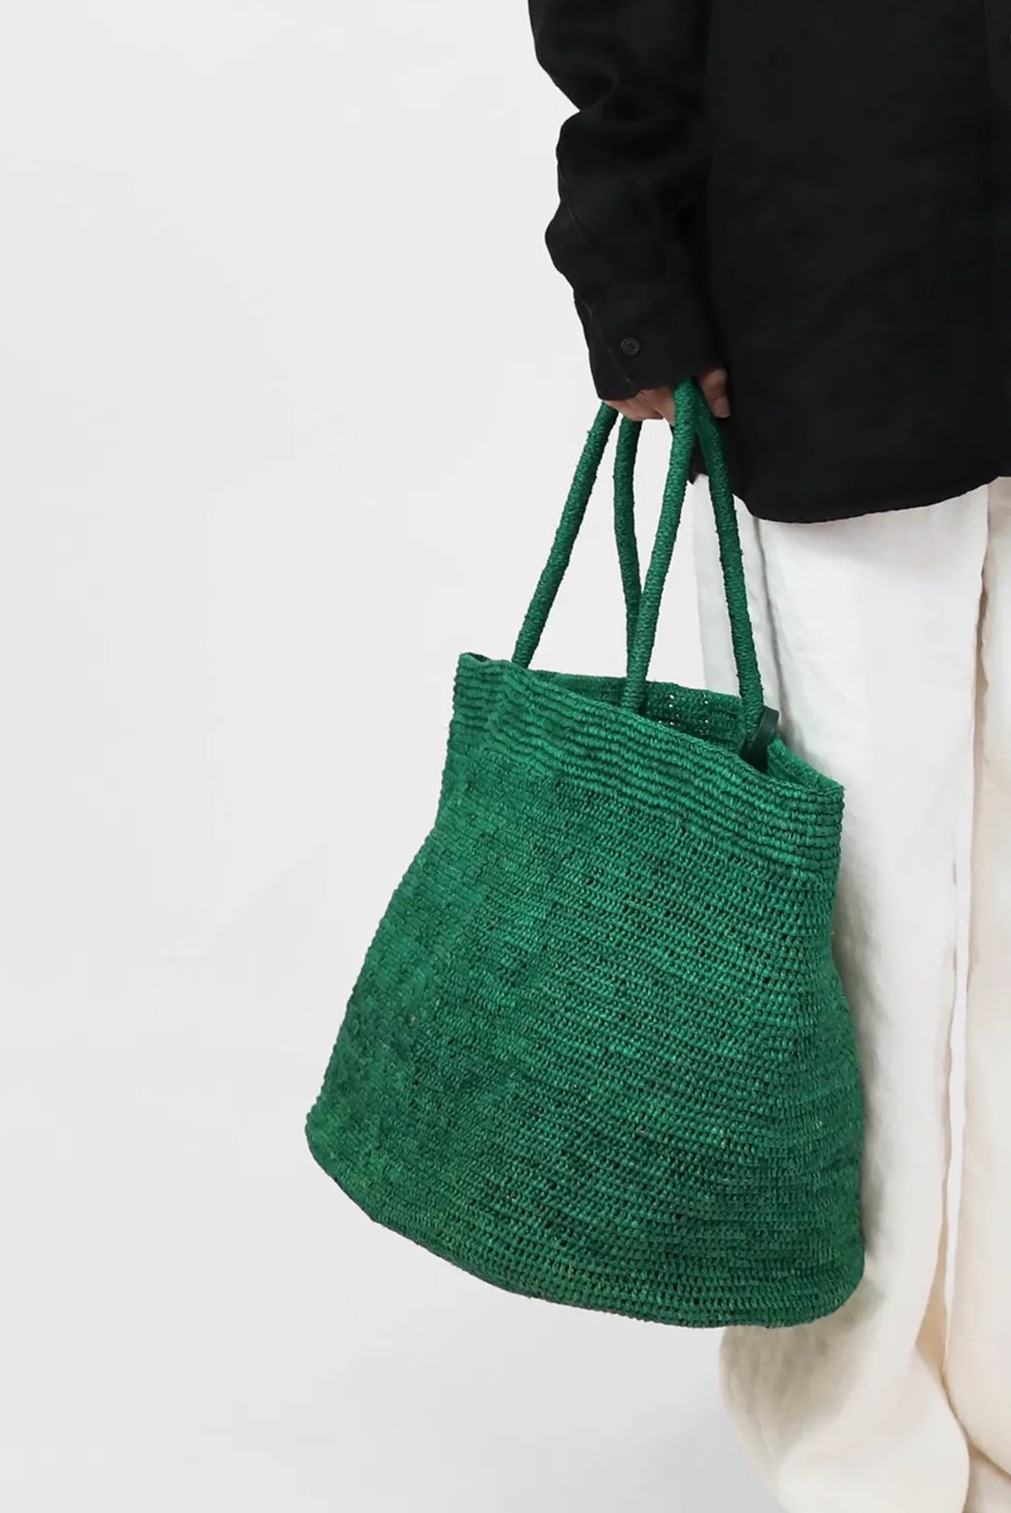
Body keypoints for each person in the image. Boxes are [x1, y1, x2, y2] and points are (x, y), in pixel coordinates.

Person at [527, 3, 1011, 1512]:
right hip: (843, 266)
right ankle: (858, 1443)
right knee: (862, 917)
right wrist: (636, 268)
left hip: (875, 243)